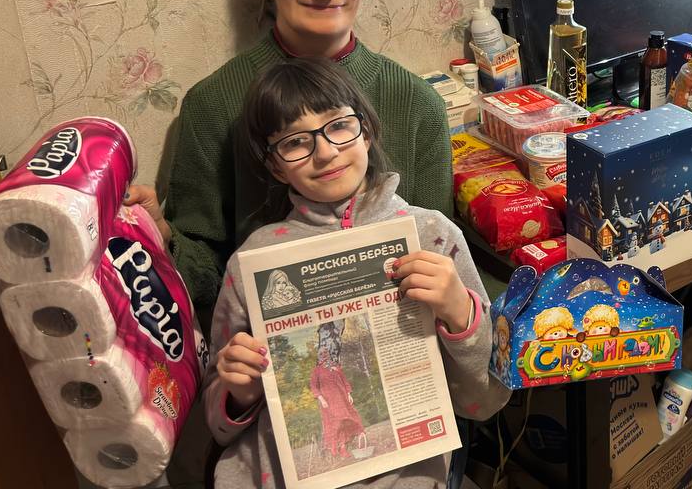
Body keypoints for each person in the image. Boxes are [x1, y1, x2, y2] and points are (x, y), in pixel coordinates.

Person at [125, 0, 453, 316]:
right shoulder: (214, 104)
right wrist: (161, 235)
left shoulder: (418, 104)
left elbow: (439, 255)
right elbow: (206, 278)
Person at [204, 57, 507, 487]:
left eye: (339, 126)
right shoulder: (254, 261)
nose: (326, 152)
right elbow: (218, 427)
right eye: (295, 142)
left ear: (367, 130)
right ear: (275, 166)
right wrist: (239, 392)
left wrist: (462, 314)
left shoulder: (433, 236)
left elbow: (486, 402)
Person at [310, 343, 364, 460]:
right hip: (328, 402)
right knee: (335, 424)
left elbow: (344, 381)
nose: (324, 354)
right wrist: (321, 399)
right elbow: (314, 387)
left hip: (342, 399)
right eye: (321, 353)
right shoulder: (317, 371)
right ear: (318, 356)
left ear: (329, 353)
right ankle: (337, 447)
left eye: (325, 352)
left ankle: (345, 446)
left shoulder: (336, 366)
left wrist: (349, 394)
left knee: (345, 421)